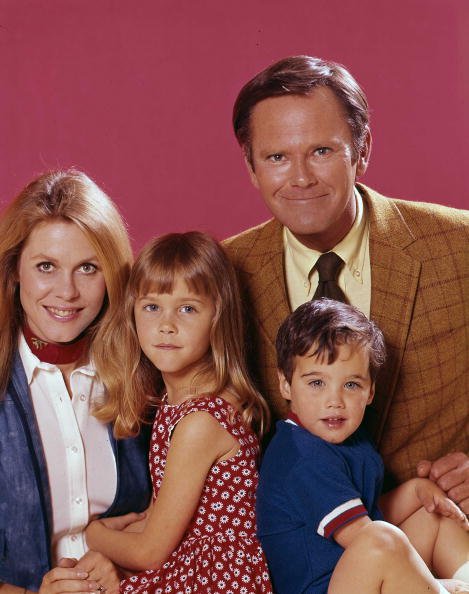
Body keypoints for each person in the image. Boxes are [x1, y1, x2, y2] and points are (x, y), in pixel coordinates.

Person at [223, 55, 469, 503]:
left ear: (363, 150)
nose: (300, 178)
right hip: (296, 560)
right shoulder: (222, 273)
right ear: (251, 165)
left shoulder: (460, 248)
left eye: (322, 151)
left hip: (443, 532)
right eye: (277, 157)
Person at [85, 232, 273, 594]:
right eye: (152, 307)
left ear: (218, 316)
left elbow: (150, 553)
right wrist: (129, 527)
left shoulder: (201, 421)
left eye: (187, 308)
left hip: (214, 579)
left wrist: (92, 533)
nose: (166, 324)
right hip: (188, 563)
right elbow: (160, 516)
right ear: (133, 313)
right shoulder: (176, 405)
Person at [0, 170, 151, 594]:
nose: (66, 291)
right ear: (15, 272)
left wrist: (121, 563)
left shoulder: (146, 374)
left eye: (88, 268)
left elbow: (180, 522)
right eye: (46, 266)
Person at [257, 298, 469, 594]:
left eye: (351, 385)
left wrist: (417, 490)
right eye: (317, 383)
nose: (335, 401)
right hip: (326, 587)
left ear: (370, 391)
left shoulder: (349, 441)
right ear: (285, 384)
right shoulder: (300, 457)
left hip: (359, 572)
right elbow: (364, 537)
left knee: (432, 516)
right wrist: (436, 585)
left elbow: (366, 511)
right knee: (380, 538)